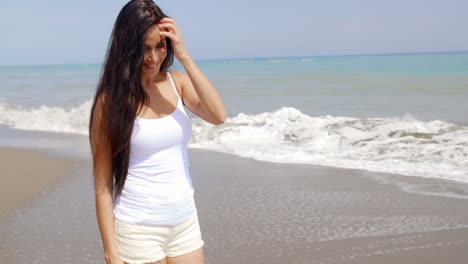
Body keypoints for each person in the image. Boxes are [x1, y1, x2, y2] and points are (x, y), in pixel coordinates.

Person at [89, 0, 227, 263]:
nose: (153, 58)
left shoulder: (177, 83)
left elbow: (218, 115)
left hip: (184, 222)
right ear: (128, 49)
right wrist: (111, 252)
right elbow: (103, 184)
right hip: (137, 228)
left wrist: (184, 54)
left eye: (160, 46)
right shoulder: (110, 103)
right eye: (144, 49)